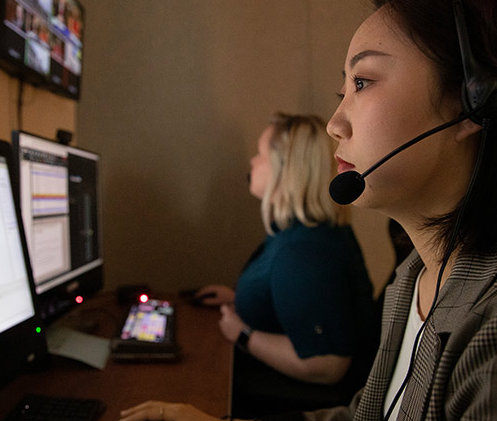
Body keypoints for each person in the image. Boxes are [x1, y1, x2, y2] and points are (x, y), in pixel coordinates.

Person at [120, 0, 497, 419]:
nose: (335, 122)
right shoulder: (414, 278)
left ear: (476, 101)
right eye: (344, 89)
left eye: (362, 83)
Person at [121, 113, 379, 420]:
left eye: (260, 154)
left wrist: (242, 333)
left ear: (286, 169)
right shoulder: (300, 231)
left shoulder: (304, 252)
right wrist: (238, 298)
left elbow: (327, 365)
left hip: (300, 400)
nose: (253, 162)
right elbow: (298, 300)